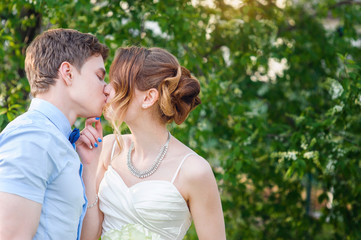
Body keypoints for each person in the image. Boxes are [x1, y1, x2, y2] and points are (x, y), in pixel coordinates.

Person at [80, 46, 226, 240]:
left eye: (117, 83)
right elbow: (87, 237)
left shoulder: (194, 170)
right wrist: (89, 168)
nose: (106, 89)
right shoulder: (108, 148)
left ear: (148, 98)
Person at [0, 28, 109, 239]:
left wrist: (89, 167)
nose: (106, 89)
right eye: (99, 77)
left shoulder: (57, 141)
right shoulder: (33, 138)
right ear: (67, 73)